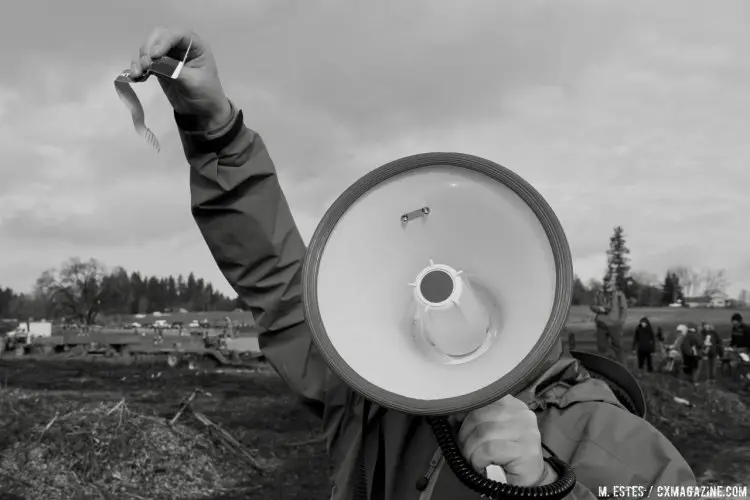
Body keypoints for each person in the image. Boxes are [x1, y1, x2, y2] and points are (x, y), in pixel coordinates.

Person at [129, 28, 697, 499]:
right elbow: (280, 283)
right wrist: (217, 132)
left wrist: (547, 485)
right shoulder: (371, 394)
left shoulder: (608, 438)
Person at [590, 288, 627, 364]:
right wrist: (598, 309)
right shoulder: (599, 293)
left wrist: (621, 322)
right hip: (601, 323)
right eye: (605, 280)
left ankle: (622, 367)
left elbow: (624, 309)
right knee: (601, 347)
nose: (606, 283)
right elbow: (592, 306)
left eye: (609, 280)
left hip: (614, 324)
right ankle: (606, 365)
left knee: (618, 346)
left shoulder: (619, 294)